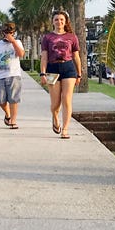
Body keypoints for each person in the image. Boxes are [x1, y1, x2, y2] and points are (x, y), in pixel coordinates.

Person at [39, 10, 84, 139]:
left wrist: (79, 74)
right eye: (56, 19)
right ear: (53, 22)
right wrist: (42, 73)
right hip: (52, 68)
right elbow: (44, 57)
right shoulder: (47, 38)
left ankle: (65, 129)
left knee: (66, 99)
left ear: (65, 22)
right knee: (55, 104)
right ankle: (55, 118)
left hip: (68, 68)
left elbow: (76, 56)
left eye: (61, 19)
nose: (59, 22)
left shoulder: (72, 37)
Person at [0, 22, 25, 129]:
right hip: (0, 76)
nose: (9, 34)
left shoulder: (17, 42)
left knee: (13, 99)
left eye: (11, 32)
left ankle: (13, 121)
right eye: (7, 32)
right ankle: (7, 114)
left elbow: (21, 54)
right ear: (3, 33)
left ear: (14, 32)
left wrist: (13, 41)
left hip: (14, 75)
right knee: (0, 100)